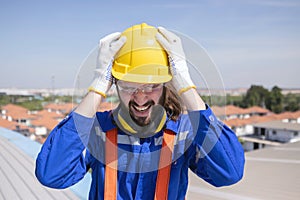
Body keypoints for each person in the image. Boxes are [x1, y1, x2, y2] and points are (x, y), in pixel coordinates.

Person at [35, 23, 245, 200]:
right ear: (114, 85)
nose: (141, 97)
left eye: (152, 86)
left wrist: (185, 85)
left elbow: (229, 173)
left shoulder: (184, 131)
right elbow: (51, 174)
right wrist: (97, 85)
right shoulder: (97, 130)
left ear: (166, 84)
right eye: (128, 87)